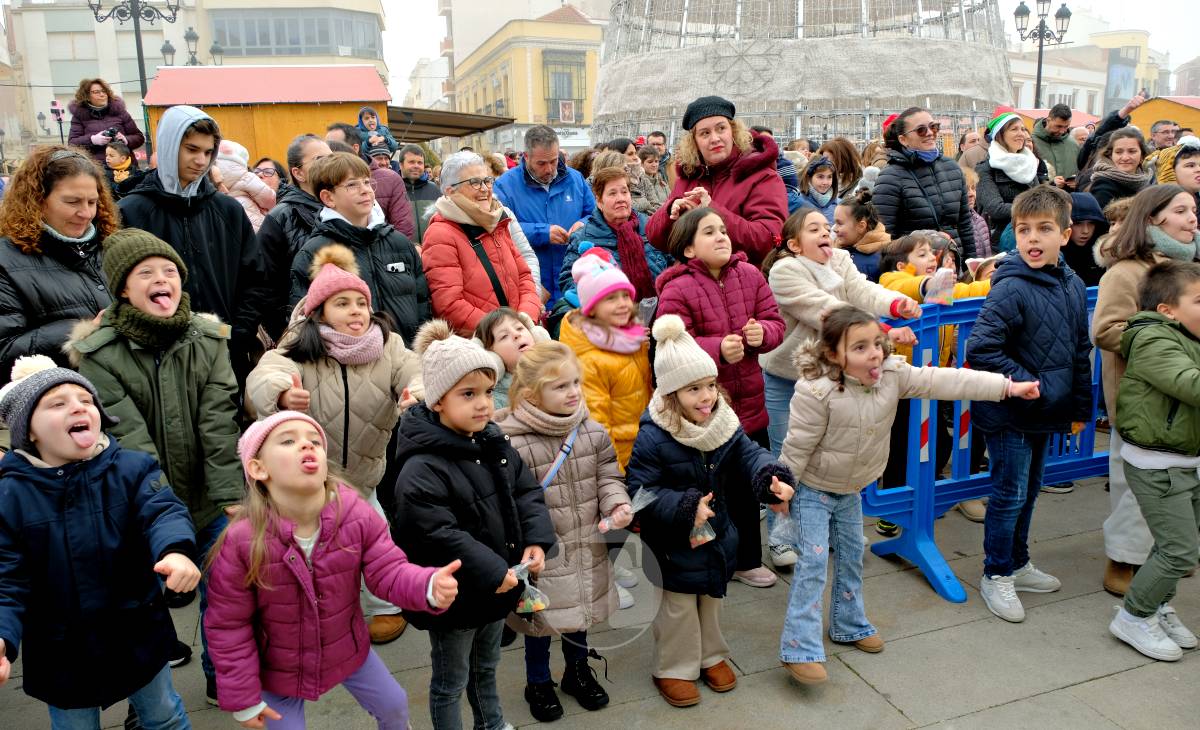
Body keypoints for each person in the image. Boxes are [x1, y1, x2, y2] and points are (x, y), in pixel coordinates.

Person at [777, 306, 1036, 684]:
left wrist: (1007, 388)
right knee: (814, 564)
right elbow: (796, 446)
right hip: (812, 490)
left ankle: (849, 624)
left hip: (850, 488)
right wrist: (783, 488)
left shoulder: (892, 377)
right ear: (834, 355)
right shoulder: (817, 392)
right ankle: (798, 648)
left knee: (852, 556)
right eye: (860, 347)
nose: (875, 354)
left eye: (876, 344)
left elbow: (947, 381)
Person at [64, 226, 242, 697]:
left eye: (170, 271)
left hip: (207, 497)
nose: (162, 279)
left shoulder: (209, 339)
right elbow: (127, 437)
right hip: (137, 505)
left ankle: (220, 680)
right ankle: (148, 704)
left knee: (224, 596)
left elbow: (218, 421)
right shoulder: (97, 352)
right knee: (142, 609)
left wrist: (230, 495)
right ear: (123, 287)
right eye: (146, 273)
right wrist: (161, 508)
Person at [205, 411, 460, 728]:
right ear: (258, 468)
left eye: (315, 441)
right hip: (279, 668)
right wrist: (244, 698)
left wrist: (427, 585)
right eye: (288, 441)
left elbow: (388, 570)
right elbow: (228, 626)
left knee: (395, 705)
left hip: (348, 649)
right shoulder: (243, 540)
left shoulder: (354, 513)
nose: (306, 446)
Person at [0, 356, 198, 728]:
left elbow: (163, 512)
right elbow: (5, 578)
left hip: (137, 632)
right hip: (61, 652)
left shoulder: (132, 468)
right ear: (30, 431)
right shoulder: (9, 494)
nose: (78, 406)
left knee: (164, 716)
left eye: (86, 400)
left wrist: (176, 550)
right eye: (57, 403)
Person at [390, 320, 556, 730]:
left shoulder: (492, 440)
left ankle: (492, 723)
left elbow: (526, 491)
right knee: (451, 679)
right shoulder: (421, 466)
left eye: (486, 392)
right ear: (438, 401)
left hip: (499, 586)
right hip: (457, 596)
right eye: (468, 394)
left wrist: (535, 539)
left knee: (488, 665)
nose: (483, 404)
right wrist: (492, 570)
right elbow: (436, 533)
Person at [625, 315, 794, 707]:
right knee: (679, 606)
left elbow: (750, 455)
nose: (705, 397)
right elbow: (640, 491)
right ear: (670, 395)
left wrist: (771, 477)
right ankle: (674, 666)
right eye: (692, 390)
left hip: (716, 534)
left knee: (711, 597)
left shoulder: (724, 423)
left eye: (709, 386)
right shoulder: (654, 435)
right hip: (672, 539)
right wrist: (685, 507)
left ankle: (711, 655)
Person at [759, 207, 916, 564]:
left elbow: (863, 292)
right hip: (786, 379)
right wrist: (885, 330)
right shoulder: (785, 271)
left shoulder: (842, 261)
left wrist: (897, 302)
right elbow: (830, 311)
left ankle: (823, 527)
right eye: (813, 228)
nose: (825, 231)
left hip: (830, 379)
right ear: (795, 244)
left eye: (826, 226)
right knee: (787, 457)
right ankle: (781, 537)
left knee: (827, 458)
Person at [965, 185, 1092, 623]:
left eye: (1044, 229)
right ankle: (996, 571)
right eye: (1023, 230)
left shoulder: (1071, 282)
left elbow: (1079, 349)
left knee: (1030, 490)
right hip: (1010, 411)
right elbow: (981, 348)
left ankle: (1017, 562)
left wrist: (1080, 407)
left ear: (1066, 233)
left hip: (1047, 410)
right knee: (1010, 492)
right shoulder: (1011, 286)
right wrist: (1024, 382)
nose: (1032, 239)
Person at [496, 341, 630, 722]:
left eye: (576, 383)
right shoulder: (511, 440)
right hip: (539, 551)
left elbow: (607, 473)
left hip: (585, 542)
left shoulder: (590, 430)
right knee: (539, 621)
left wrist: (616, 503)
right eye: (560, 386)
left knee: (580, 613)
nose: (573, 392)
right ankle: (537, 681)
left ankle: (578, 671)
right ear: (530, 393)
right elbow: (509, 498)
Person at [655, 207, 786, 588]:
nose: (722, 236)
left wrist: (764, 332)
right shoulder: (677, 287)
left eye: (724, 230)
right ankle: (706, 560)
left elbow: (775, 321)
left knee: (746, 490)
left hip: (749, 404)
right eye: (709, 232)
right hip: (704, 412)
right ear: (689, 249)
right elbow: (671, 344)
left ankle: (748, 558)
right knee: (710, 492)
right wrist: (714, 349)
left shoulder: (750, 275)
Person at [1093, 184, 1200, 597]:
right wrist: (1167, 339)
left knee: (1181, 484)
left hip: (1184, 396)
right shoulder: (1128, 270)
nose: (1192, 218)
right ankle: (1122, 559)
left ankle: (1165, 552)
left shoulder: (1187, 266)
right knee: (1136, 488)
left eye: (1193, 210)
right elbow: (1105, 330)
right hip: (1142, 400)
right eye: (1181, 210)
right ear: (1153, 218)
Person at [118, 105, 270, 386]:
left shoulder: (228, 211)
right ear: (168, 146)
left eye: (207, 152)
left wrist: (238, 334)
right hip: (155, 359)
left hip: (224, 354)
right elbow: (119, 288)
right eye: (191, 149)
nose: (201, 160)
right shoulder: (131, 212)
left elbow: (254, 279)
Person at [1106, 260, 1200, 662]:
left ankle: (1158, 604)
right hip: (1158, 464)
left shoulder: (1186, 335)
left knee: (1173, 545)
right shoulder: (1153, 340)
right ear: (1168, 309)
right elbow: (1190, 385)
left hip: (1183, 458)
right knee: (1180, 551)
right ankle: (1133, 616)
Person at [286, 153, 429, 348]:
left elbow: (422, 302)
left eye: (367, 182)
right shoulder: (315, 253)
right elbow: (305, 322)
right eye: (352, 185)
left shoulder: (400, 243)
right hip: (348, 366)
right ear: (328, 197)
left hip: (407, 358)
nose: (365, 191)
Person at [0, 147, 114, 382]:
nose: (86, 213)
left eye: (92, 202)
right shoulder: (6, 261)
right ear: (37, 200)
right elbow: (5, 352)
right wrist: (83, 331)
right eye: (72, 202)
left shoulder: (111, 246)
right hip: (63, 406)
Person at [646, 96, 787, 266]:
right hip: (691, 283)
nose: (714, 138)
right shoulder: (688, 177)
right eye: (705, 133)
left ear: (733, 132)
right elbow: (656, 239)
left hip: (741, 284)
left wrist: (711, 210)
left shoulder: (763, 177)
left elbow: (769, 241)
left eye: (721, 128)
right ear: (695, 142)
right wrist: (671, 212)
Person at [419, 151, 543, 337]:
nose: (485, 188)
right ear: (450, 191)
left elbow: (524, 277)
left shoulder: (497, 221)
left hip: (517, 336)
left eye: (487, 180)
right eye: (474, 183)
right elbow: (448, 304)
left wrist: (525, 319)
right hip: (481, 346)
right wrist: (500, 333)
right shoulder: (440, 233)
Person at [559, 249, 651, 469]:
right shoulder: (589, 361)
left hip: (645, 444)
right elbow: (598, 425)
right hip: (623, 458)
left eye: (625, 296)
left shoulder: (629, 339)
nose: (622, 304)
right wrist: (614, 475)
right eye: (610, 298)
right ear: (591, 309)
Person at [494, 126, 595, 302]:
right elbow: (500, 228)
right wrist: (543, 232)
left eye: (554, 161)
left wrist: (583, 225)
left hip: (573, 282)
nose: (549, 169)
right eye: (541, 163)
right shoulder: (504, 186)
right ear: (526, 157)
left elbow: (594, 215)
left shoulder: (576, 179)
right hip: (532, 283)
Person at [873, 106, 977, 263]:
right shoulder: (890, 176)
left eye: (933, 127)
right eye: (921, 130)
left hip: (955, 263)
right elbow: (884, 237)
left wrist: (971, 265)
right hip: (916, 271)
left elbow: (965, 225)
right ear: (903, 139)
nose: (929, 133)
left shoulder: (952, 167)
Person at [558, 167, 671, 308]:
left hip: (660, 316)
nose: (621, 199)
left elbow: (674, 266)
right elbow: (568, 281)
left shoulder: (651, 227)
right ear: (599, 202)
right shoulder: (583, 237)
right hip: (609, 321)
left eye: (625, 192)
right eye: (612, 193)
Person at [258, 134, 333, 342]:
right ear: (298, 173)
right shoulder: (281, 217)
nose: (330, 164)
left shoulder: (344, 207)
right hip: (305, 334)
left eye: (332, 157)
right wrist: (288, 334)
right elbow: (266, 287)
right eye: (320, 160)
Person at [974, 112, 1049, 246]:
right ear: (1000, 135)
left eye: (1023, 129)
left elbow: (1041, 199)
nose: (1021, 134)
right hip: (1003, 240)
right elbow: (995, 208)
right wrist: (1033, 209)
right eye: (1014, 129)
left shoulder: (1030, 162)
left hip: (1033, 237)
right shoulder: (985, 168)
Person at [67, 77, 145, 164]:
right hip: (97, 169)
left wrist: (126, 140)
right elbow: (72, 144)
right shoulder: (79, 116)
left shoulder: (120, 112)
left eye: (104, 91)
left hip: (125, 167)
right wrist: (92, 140)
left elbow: (139, 137)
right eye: (96, 92)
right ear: (87, 96)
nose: (102, 94)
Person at [215, 139, 276, 233]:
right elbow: (268, 197)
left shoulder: (211, 177)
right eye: (257, 171)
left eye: (268, 172)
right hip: (253, 226)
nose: (260, 175)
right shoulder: (246, 176)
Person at [1086, 128, 1153, 210]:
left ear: (1142, 156)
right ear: (1111, 155)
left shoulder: (1146, 181)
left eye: (1132, 151)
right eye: (1118, 152)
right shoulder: (1104, 185)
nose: (1125, 157)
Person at [833, 189, 890, 282]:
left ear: (861, 226)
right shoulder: (833, 250)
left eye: (840, 223)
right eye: (835, 223)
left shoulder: (881, 261)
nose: (834, 229)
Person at [365, 145, 417, 238]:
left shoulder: (394, 180)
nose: (384, 162)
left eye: (386, 158)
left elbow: (403, 222)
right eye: (379, 158)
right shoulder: (364, 180)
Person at [1063, 192, 1108, 287]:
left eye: (1091, 223)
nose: (1085, 231)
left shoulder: (1107, 253)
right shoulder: (1054, 256)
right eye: (1078, 223)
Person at [400, 144, 440, 243]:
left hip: (433, 248)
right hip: (405, 250)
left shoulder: (435, 189)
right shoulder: (394, 190)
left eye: (420, 163)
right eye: (411, 162)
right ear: (401, 165)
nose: (416, 166)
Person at [1031, 104, 1079, 183]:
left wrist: (1077, 182)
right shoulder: (1030, 143)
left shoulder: (1073, 144)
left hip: (1069, 194)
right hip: (1041, 194)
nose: (1062, 131)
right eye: (1058, 126)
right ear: (1048, 120)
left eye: (1066, 126)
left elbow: (1082, 172)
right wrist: (1051, 183)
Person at [961, 168, 993, 259]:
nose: (971, 194)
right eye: (966, 189)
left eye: (973, 188)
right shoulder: (955, 225)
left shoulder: (980, 220)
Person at [797, 155, 839, 224]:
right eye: (820, 177)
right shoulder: (798, 203)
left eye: (829, 177)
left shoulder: (839, 204)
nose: (825, 182)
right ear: (809, 178)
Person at [637, 146, 670, 213]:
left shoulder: (661, 180)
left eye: (656, 161)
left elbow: (670, 198)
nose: (654, 165)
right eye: (650, 162)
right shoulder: (638, 182)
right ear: (641, 164)